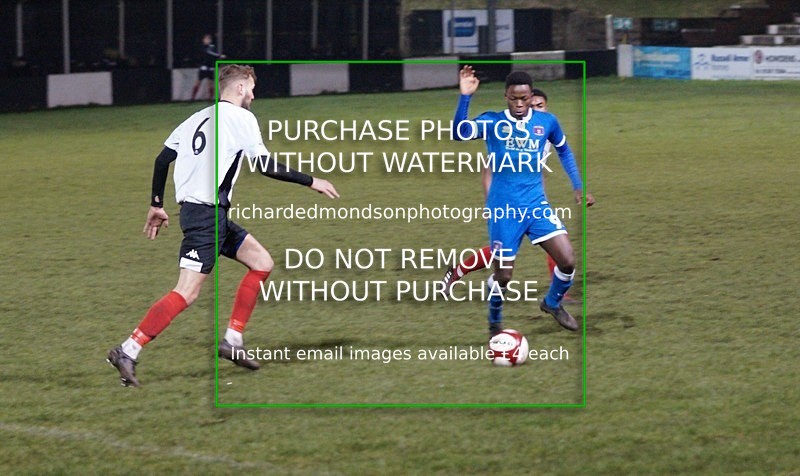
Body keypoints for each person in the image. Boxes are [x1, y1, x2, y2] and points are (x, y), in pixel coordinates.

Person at [107, 64, 339, 387]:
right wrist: (311, 180)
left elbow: (162, 160)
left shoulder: (196, 118)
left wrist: (156, 204)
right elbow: (263, 164)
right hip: (206, 218)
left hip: (204, 214)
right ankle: (128, 349)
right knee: (186, 292)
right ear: (241, 87)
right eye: (252, 88)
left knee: (262, 262)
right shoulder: (241, 119)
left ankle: (233, 340)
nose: (254, 96)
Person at [452, 66, 593, 335]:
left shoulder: (547, 122)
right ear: (506, 96)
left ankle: (552, 303)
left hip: (536, 205)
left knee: (568, 260)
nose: (519, 104)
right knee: (504, 276)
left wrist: (578, 186)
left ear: (531, 97)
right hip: (504, 210)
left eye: (524, 98)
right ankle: (494, 322)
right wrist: (465, 96)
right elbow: (459, 132)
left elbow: (564, 151)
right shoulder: (492, 122)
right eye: (514, 98)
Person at [191, 34, 225, 100]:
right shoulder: (202, 47)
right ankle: (192, 98)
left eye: (208, 39)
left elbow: (213, 55)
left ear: (210, 40)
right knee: (198, 82)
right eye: (205, 39)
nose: (206, 41)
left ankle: (210, 98)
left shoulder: (212, 47)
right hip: (203, 68)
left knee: (211, 83)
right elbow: (208, 53)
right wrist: (219, 55)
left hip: (211, 68)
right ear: (203, 40)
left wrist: (218, 58)